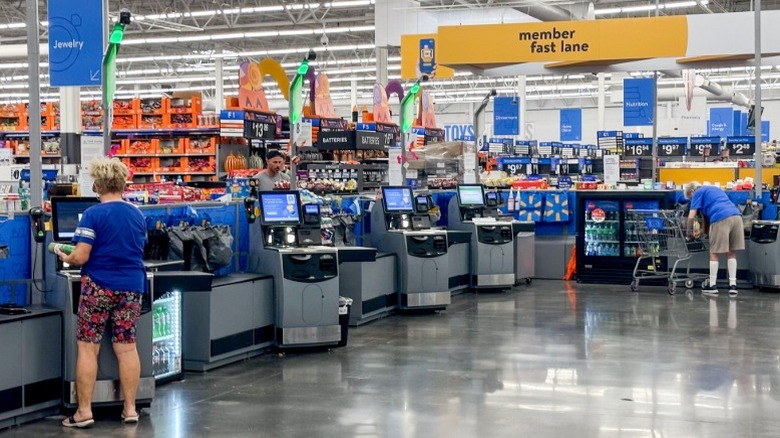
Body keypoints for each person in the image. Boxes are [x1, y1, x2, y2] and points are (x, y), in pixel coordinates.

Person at [56, 157, 147, 428]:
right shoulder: (136, 213)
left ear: (97, 184)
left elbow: (82, 256)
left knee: (88, 347)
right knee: (127, 347)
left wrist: (65, 254)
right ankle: (130, 409)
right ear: (122, 183)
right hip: (132, 286)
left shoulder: (93, 214)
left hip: (99, 285)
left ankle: (84, 412)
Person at [684, 181, 744, 296]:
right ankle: (733, 285)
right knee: (731, 252)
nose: (692, 201)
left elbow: (691, 215)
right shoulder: (715, 190)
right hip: (736, 217)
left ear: (692, 191)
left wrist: (688, 232)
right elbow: (707, 217)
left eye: (690, 198)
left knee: (714, 252)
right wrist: (702, 231)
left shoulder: (697, 192)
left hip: (721, 218)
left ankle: (712, 285)